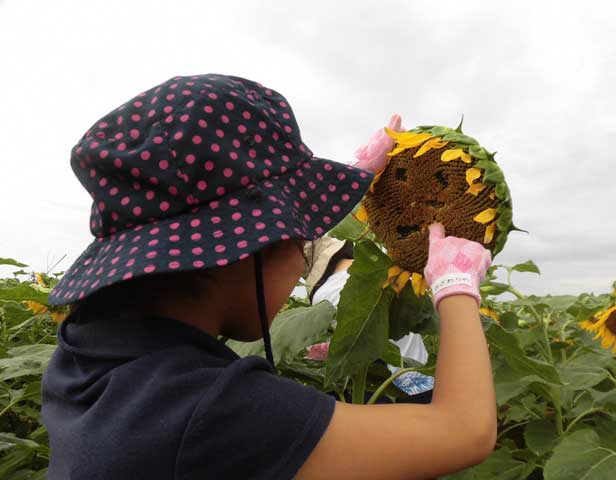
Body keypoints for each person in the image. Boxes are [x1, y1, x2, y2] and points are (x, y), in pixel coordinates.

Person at [42, 73, 496, 479]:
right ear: (243, 250)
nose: (303, 259)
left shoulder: (90, 353)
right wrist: (454, 285)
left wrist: (356, 182)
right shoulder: (210, 413)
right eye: (299, 235)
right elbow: (463, 432)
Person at [304, 238, 435, 402]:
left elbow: (353, 345)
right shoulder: (387, 269)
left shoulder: (324, 295)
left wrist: (310, 352)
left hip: (385, 389)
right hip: (422, 377)